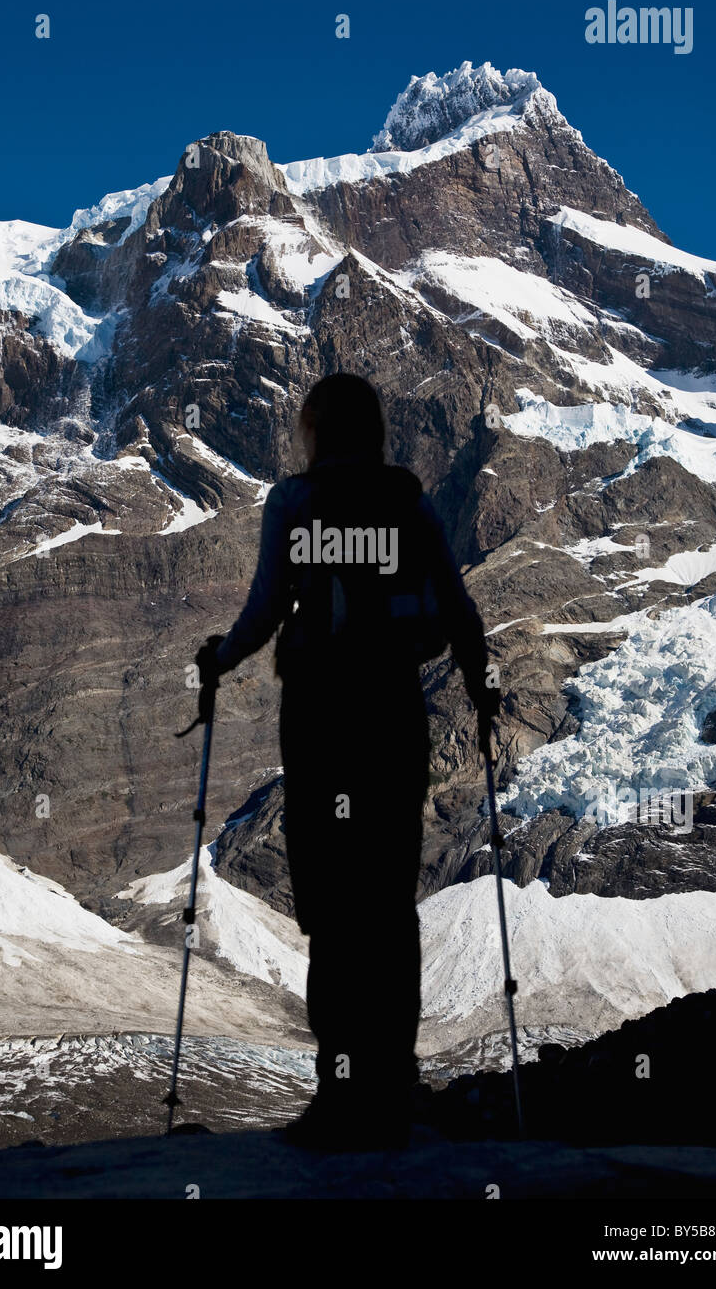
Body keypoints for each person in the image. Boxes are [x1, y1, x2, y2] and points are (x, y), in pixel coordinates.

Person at [196, 374, 496, 1150]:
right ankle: (394, 1087)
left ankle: (340, 1091)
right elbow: (459, 609)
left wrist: (219, 660)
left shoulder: (294, 504)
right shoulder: (408, 503)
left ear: (316, 431)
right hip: (394, 716)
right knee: (390, 901)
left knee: (331, 905)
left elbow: (265, 611)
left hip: (323, 719)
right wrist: (482, 690)